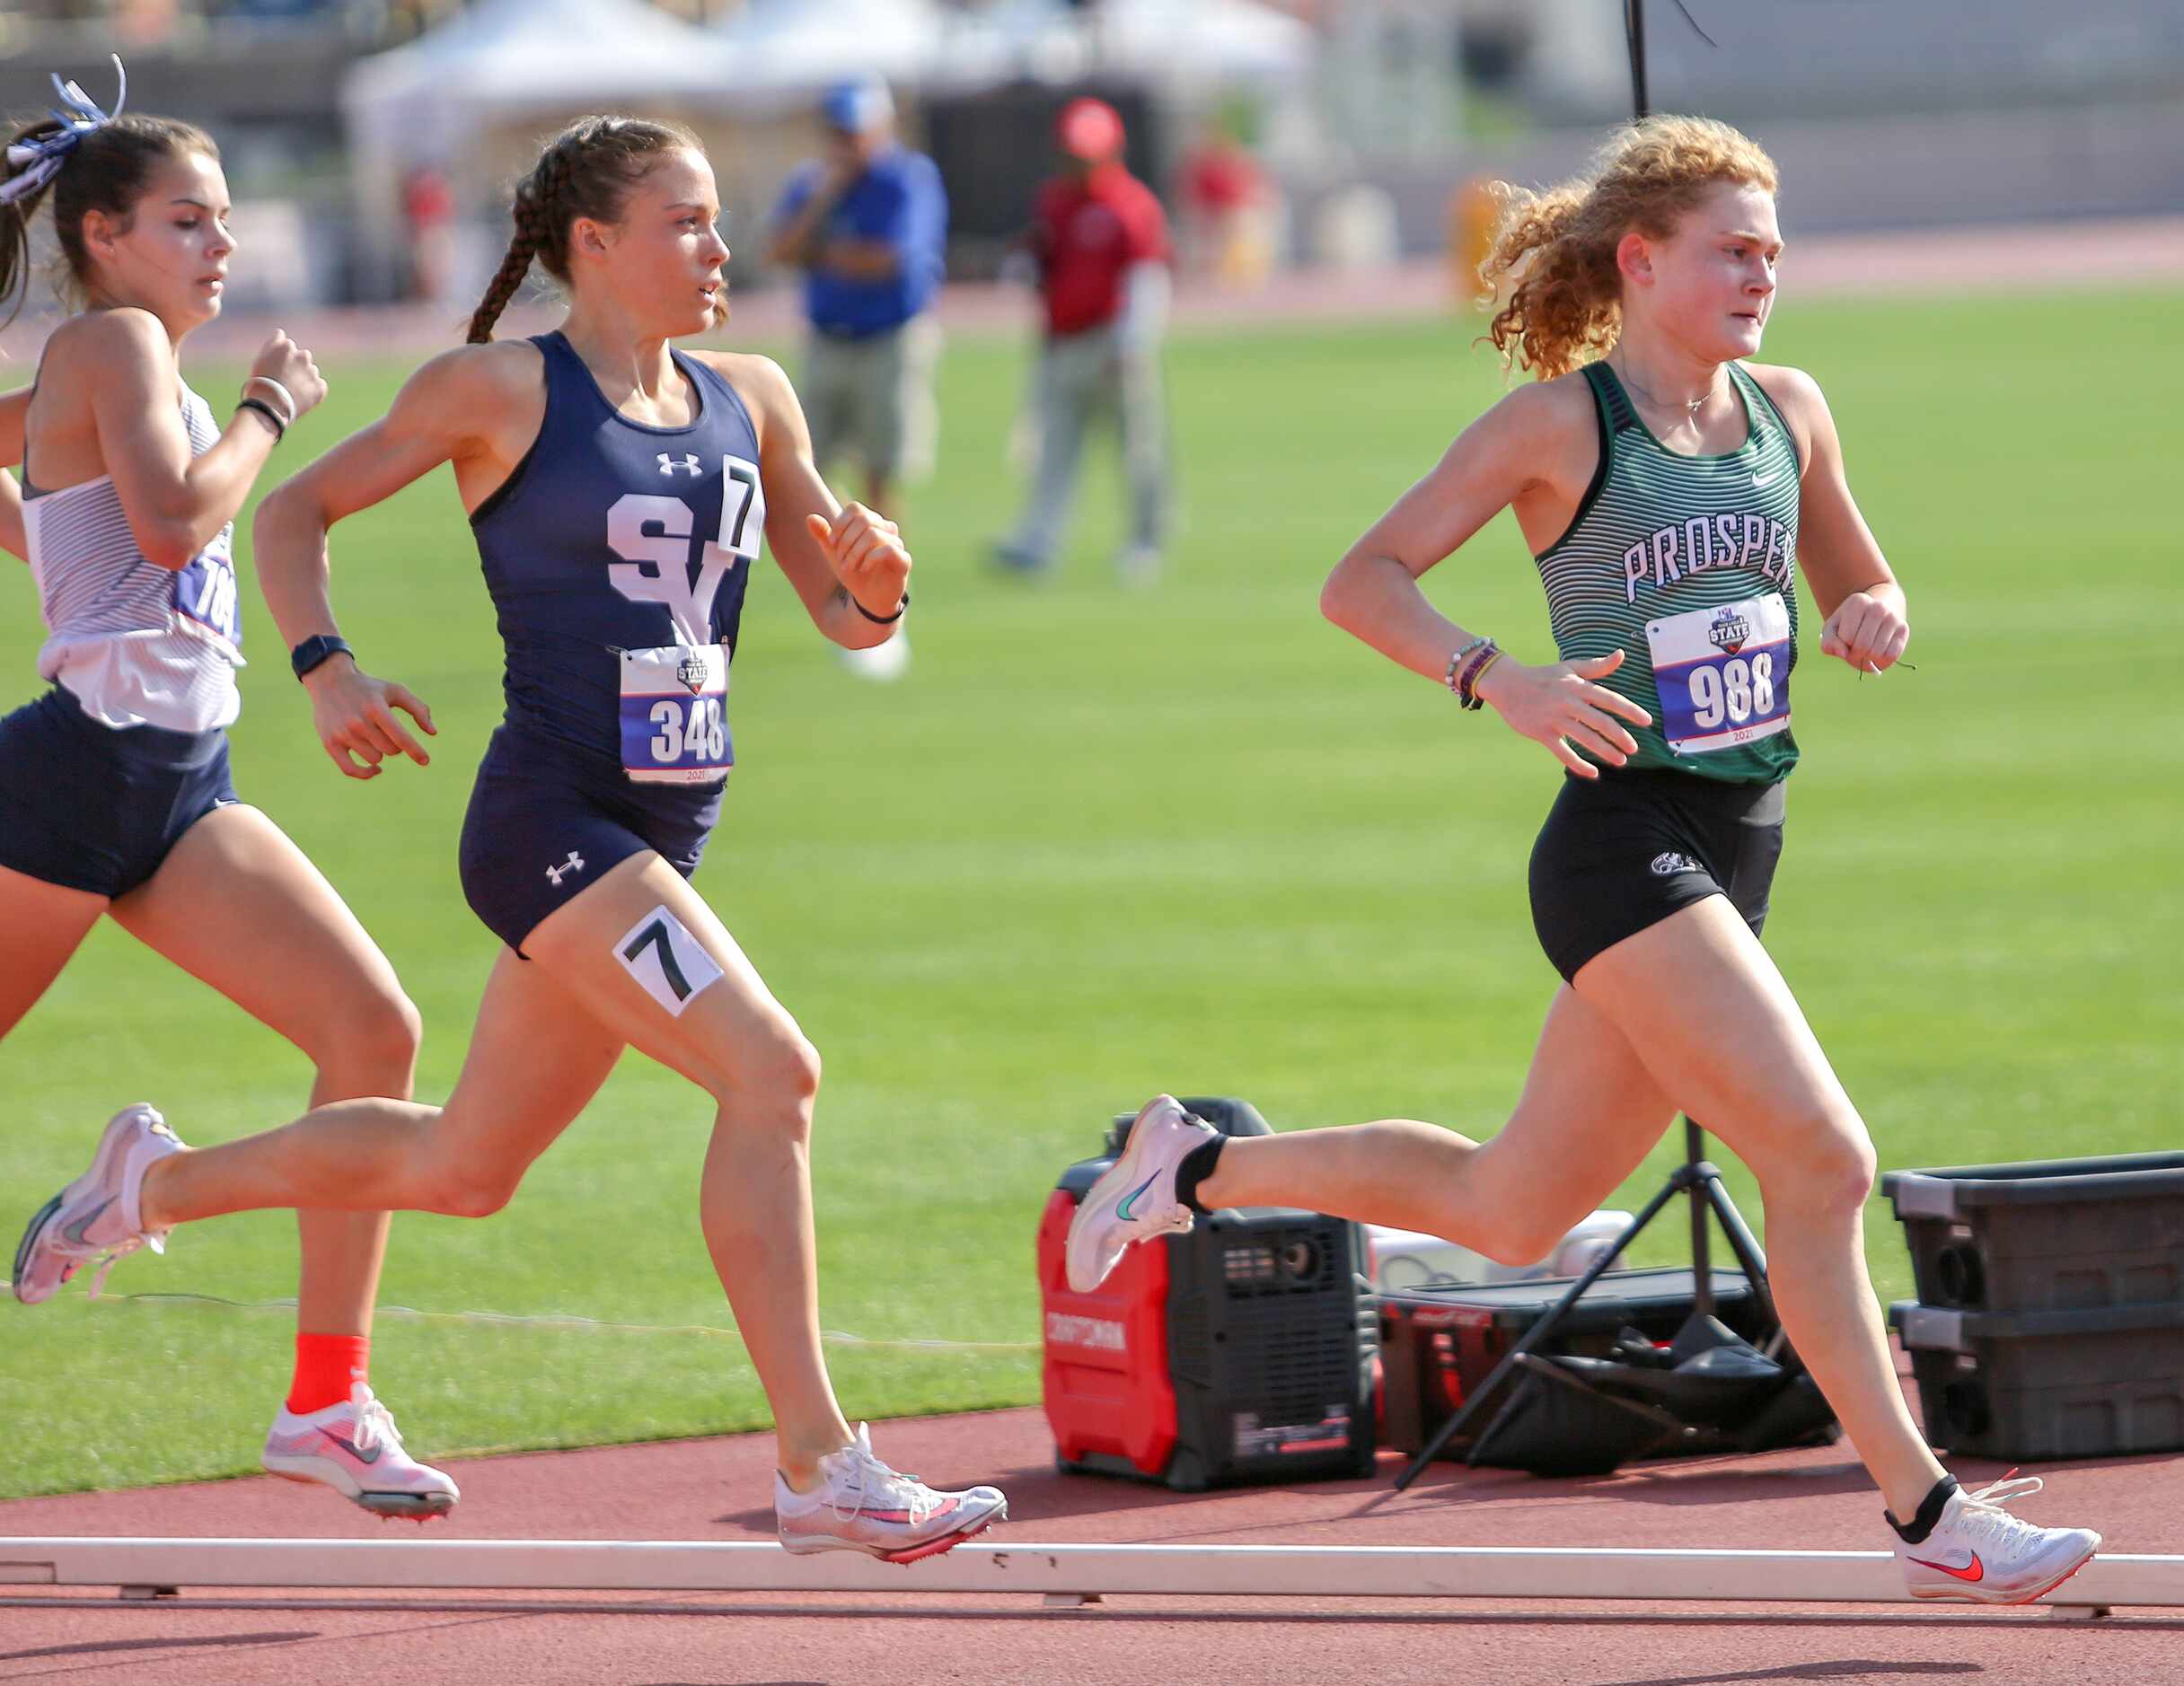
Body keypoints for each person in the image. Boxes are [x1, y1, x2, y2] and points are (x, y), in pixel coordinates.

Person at [1067, 116, 2100, 1605]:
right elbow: (1360, 578)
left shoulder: (1787, 408)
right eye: (1731, 248)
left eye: (1773, 248)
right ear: (1641, 258)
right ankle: (1925, 1504)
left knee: (1509, 1209)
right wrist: (1502, 677)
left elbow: (1857, 573)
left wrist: (1876, 610)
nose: (1763, 270)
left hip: (1738, 852)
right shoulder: (1560, 426)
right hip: (1623, 848)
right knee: (1822, 1158)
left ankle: (1192, 1166)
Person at [14, 114, 1006, 1562]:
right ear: (588, 244)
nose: (719, 248)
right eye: (685, 221)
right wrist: (325, 663)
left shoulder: (757, 396)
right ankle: (821, 1461)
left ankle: (147, 1185)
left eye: (719, 220)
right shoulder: (496, 388)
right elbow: (290, 512)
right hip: (551, 819)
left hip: (662, 827)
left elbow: (842, 611)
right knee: (769, 1068)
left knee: (467, 1166)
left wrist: (879, 587)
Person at [0, 62, 456, 1521]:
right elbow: (178, 510)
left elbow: (105, 518)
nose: (222, 246)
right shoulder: (120, 341)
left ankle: (326, 1398)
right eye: (188, 219)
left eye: (223, 219)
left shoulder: (118, 363)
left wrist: (59, 564)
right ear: (104, 238)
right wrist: (266, 408)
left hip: (178, 784)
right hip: (76, 780)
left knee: (370, 1025)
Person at [767, 75, 946, 682]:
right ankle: (840, 593)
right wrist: (826, 204)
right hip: (827, 339)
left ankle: (884, 604)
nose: (847, 143)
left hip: (887, 339)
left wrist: (826, 251)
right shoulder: (815, 184)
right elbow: (780, 249)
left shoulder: (906, 178)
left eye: (856, 130)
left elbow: (891, 259)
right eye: (839, 131)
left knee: (880, 470)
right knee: (810, 470)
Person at [993, 97, 1171, 586]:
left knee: (1137, 450)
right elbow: (1042, 258)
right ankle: (1039, 542)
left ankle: (1145, 543)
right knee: (1054, 448)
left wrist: (1134, 340)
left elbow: (1146, 277)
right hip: (1062, 342)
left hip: (1113, 342)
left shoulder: (1129, 203)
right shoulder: (1055, 200)